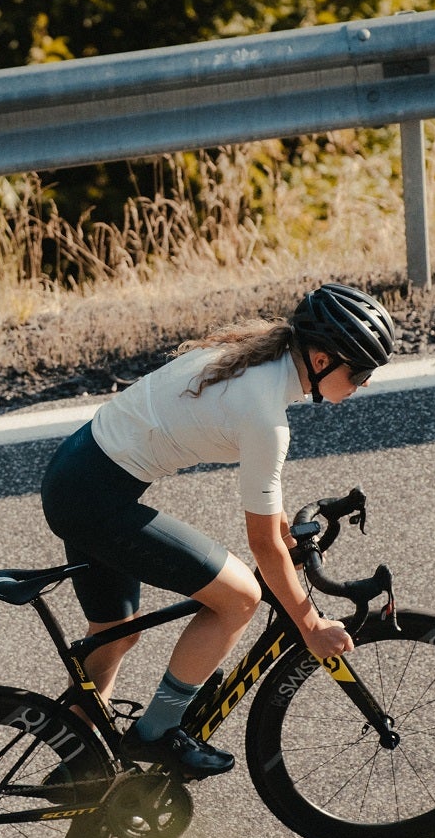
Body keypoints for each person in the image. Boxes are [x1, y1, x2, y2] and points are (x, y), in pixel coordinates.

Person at [39, 283, 397, 776]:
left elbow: (264, 500)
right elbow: (261, 543)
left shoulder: (257, 361)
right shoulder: (265, 416)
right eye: (359, 371)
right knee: (240, 598)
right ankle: (159, 731)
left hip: (75, 475)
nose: (365, 382)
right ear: (319, 362)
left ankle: (79, 770)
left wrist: (285, 533)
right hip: (94, 499)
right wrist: (310, 625)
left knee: (115, 638)